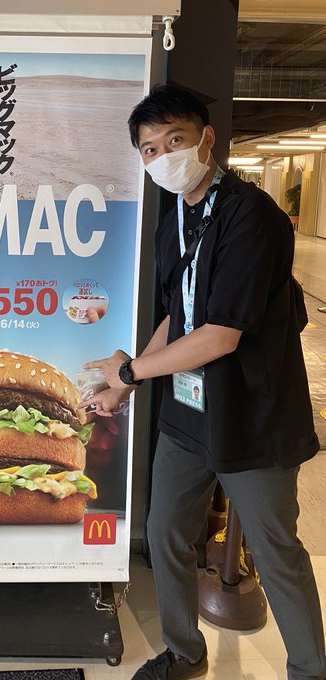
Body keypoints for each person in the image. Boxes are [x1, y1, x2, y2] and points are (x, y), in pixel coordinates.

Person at [78, 84, 326, 680]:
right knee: (165, 532)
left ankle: (310, 670)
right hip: (187, 414)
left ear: (206, 139)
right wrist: (128, 385)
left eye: (175, 140)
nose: (163, 156)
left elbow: (220, 335)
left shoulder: (251, 216)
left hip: (254, 417)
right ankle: (184, 655)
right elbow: (178, 315)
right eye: (150, 148)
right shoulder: (174, 223)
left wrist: (131, 369)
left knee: (276, 550)